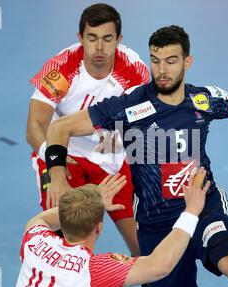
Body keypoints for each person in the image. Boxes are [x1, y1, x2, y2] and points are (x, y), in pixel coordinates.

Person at [44, 25, 228, 287]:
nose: (162, 70)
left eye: (171, 61)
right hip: (155, 223)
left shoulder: (204, 100)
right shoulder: (128, 106)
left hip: (202, 207)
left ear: (187, 62)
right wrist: (57, 176)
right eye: (155, 60)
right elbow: (60, 128)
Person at [26, 3, 149, 262]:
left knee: (144, 249)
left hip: (111, 159)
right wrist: (56, 169)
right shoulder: (61, 69)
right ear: (80, 38)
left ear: (119, 40)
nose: (100, 48)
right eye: (92, 39)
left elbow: (147, 123)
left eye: (107, 39)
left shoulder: (134, 71)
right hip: (65, 158)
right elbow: (34, 128)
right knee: (64, 245)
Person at [14, 168, 210, 287]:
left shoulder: (36, 242)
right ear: (98, 227)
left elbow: (39, 220)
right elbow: (159, 266)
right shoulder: (94, 270)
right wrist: (191, 211)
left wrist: (90, 203)